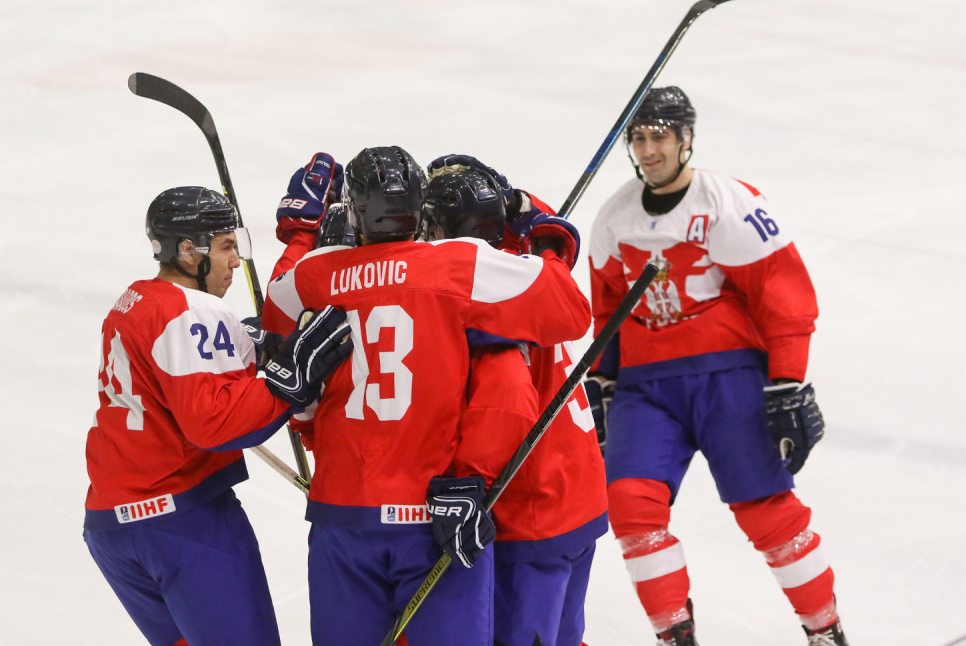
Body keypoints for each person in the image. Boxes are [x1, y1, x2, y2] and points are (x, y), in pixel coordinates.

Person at [261, 146, 593, 646]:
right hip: (435, 515)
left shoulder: (315, 274)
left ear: (354, 214)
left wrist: (300, 235)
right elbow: (569, 310)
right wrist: (536, 226)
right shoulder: (459, 264)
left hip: (344, 512)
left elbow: (276, 325)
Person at [587, 87, 848, 646]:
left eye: (660, 136)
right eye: (639, 137)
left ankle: (825, 631)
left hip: (727, 376)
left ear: (686, 139)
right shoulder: (613, 217)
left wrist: (787, 381)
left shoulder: (729, 203)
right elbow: (607, 309)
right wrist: (602, 377)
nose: (649, 150)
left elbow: (781, 291)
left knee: (765, 510)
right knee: (630, 505)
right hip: (645, 386)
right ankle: (675, 636)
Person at [84, 186, 353, 646]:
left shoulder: (137, 299)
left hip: (111, 526)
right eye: (227, 247)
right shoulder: (193, 312)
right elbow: (217, 425)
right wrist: (289, 381)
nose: (235, 261)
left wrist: (257, 346)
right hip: (182, 525)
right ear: (189, 251)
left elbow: (182, 374)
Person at [422, 156, 608, 646]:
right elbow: (552, 239)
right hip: (577, 490)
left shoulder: (480, 294)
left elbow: (505, 400)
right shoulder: (527, 269)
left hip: (531, 508)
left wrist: (470, 483)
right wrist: (519, 203)